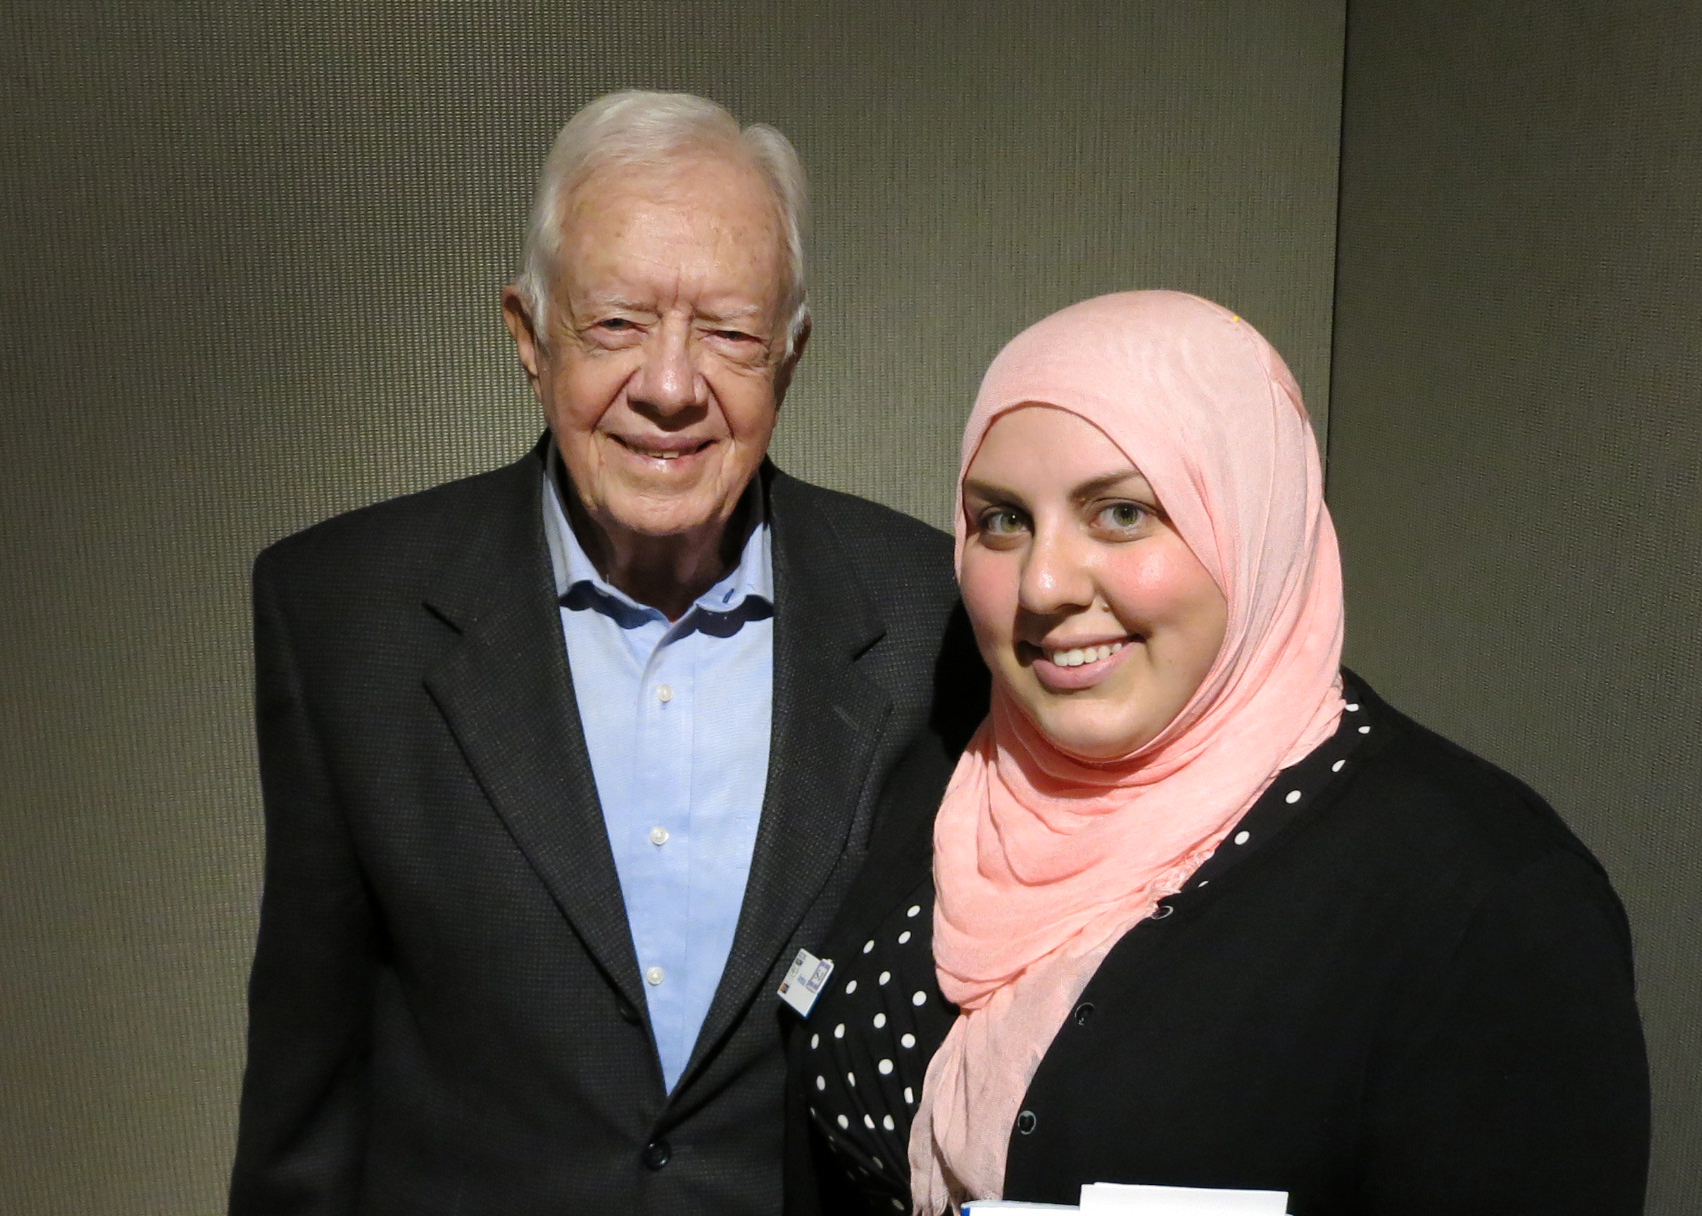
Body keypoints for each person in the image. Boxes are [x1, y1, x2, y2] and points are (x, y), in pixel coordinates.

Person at [228, 91, 983, 1216]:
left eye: (727, 330)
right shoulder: (346, 613)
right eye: (616, 322)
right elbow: (311, 1082)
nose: (671, 387)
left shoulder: (933, 612)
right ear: (528, 337)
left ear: (791, 355)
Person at [796, 291, 1649, 1215]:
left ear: (1251, 519)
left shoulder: (1482, 897)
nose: (1042, 584)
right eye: (1003, 519)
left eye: (1120, 513)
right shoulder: (958, 774)